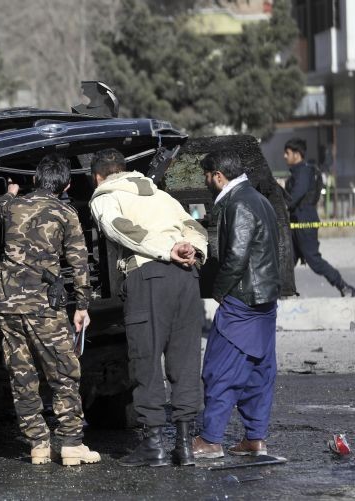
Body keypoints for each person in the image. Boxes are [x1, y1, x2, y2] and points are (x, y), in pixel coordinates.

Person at [89, 148, 207, 467]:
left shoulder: (105, 196)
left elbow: (119, 228)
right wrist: (190, 249)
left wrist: (167, 249)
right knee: (185, 361)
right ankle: (184, 446)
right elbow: (195, 227)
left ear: (98, 176)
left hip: (148, 277)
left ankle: (153, 446)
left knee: (146, 360)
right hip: (187, 278)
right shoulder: (162, 196)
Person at [0, 154, 99, 467]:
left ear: (35, 180)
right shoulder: (66, 213)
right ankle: (71, 444)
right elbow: (79, 263)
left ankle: (38, 444)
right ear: (67, 185)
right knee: (64, 372)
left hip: (8, 303)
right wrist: (82, 306)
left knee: (21, 374)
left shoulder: (11, 206)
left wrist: (11, 191)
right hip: (43, 305)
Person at [192, 151, 281, 459]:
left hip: (242, 302)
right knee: (259, 372)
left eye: (207, 176)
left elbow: (237, 257)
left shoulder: (239, 203)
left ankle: (210, 440)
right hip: (264, 301)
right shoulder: (259, 199)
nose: (206, 182)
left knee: (220, 369)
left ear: (218, 176)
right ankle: (255, 439)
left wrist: (218, 291)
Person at [283, 138, 355, 296]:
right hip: (295, 221)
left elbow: (295, 196)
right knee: (287, 260)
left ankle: (344, 286)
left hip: (305, 221)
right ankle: (280, 294)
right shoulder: (297, 172)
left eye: (287, 153)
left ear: (296, 154)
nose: (284, 156)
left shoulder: (303, 172)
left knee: (314, 260)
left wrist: (281, 206)